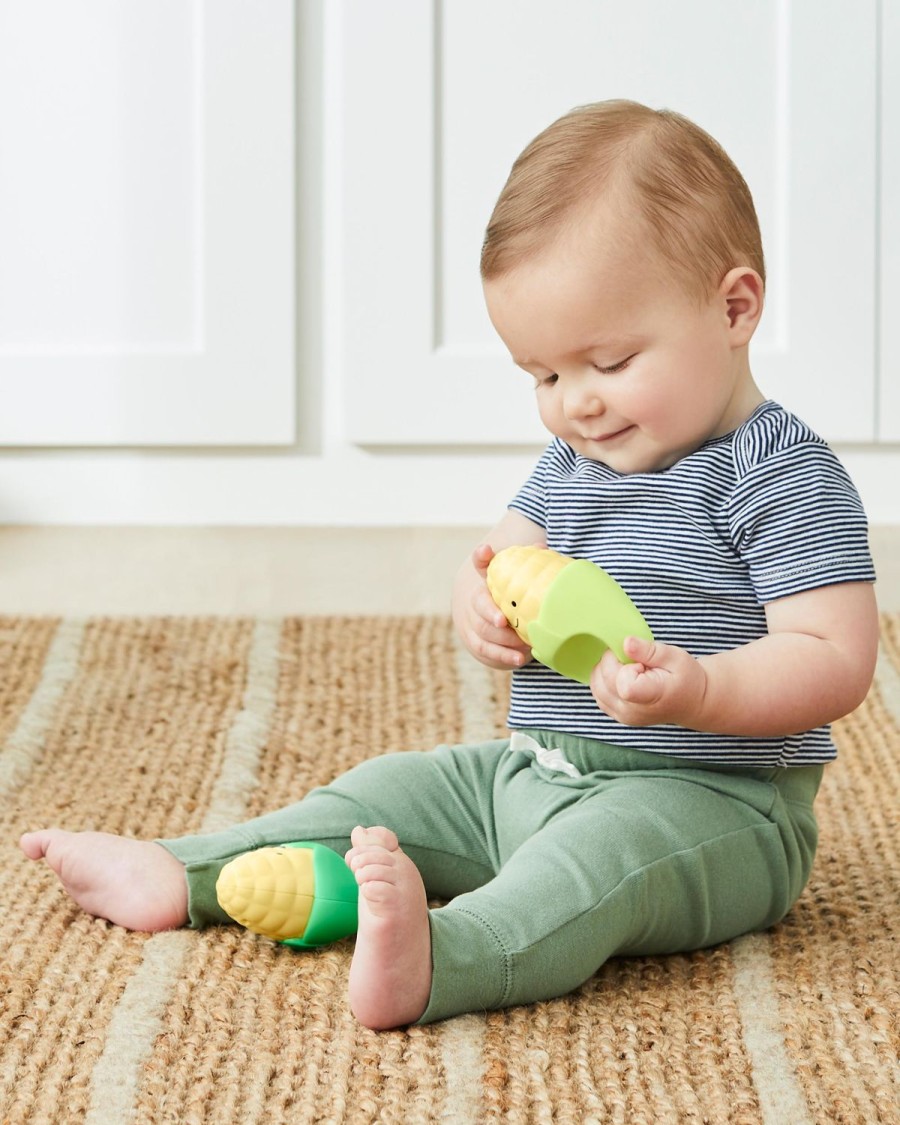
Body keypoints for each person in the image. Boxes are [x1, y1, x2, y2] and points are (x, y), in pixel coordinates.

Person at [19, 100, 879, 1031]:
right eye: (543, 377)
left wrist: (702, 689)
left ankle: (451, 957)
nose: (576, 405)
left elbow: (834, 657)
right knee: (384, 792)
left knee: (590, 867)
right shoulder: (576, 460)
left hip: (712, 805)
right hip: (530, 773)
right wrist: (482, 600)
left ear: (734, 306)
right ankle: (185, 869)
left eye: (610, 360)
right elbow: (502, 550)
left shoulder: (778, 473)